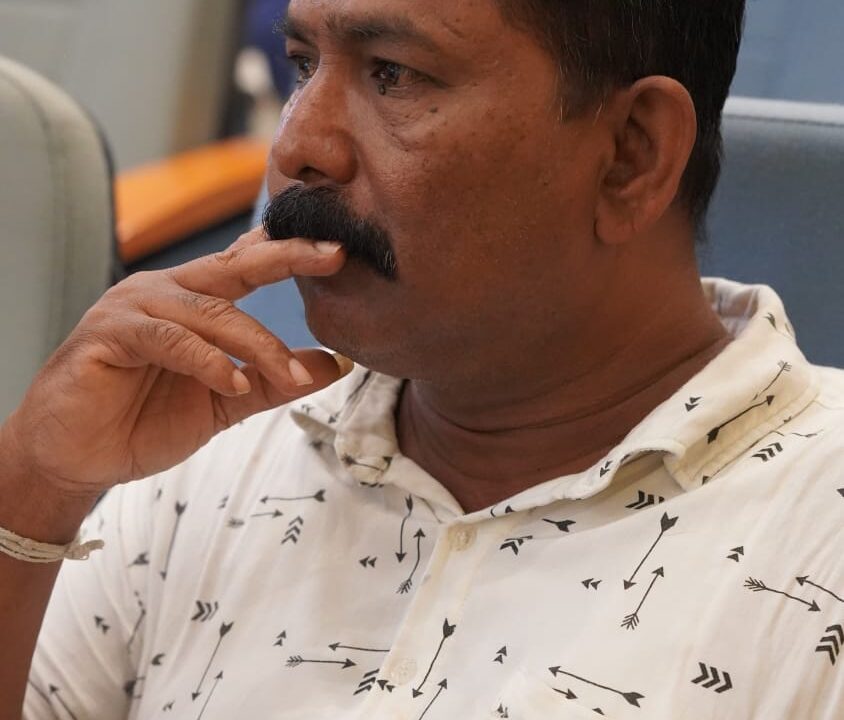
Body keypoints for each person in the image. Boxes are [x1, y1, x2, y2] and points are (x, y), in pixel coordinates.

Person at [1, 1, 842, 718]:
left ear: (631, 154)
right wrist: (36, 493)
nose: (297, 146)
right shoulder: (206, 458)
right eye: (303, 64)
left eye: (393, 75)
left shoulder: (817, 542)